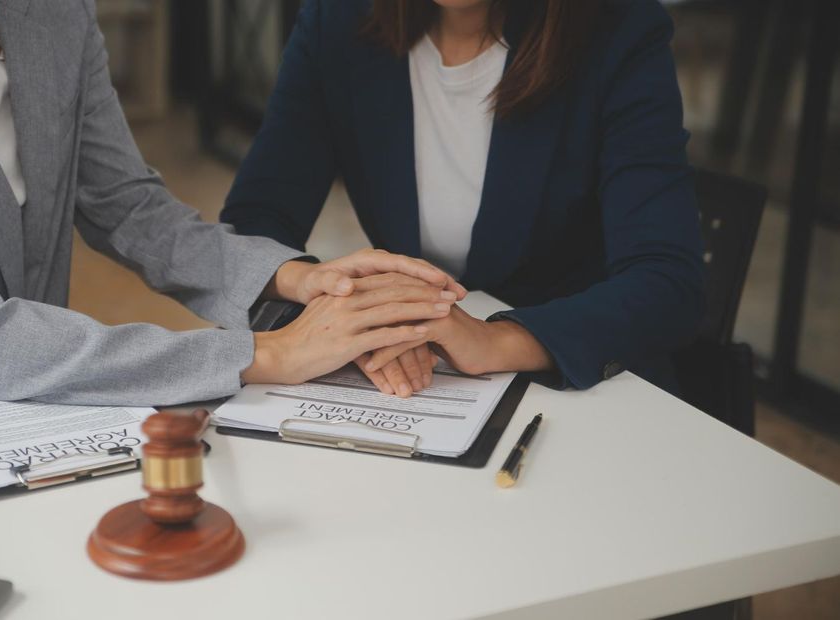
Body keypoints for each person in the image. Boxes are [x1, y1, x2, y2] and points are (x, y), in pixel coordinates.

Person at [0, 0, 466, 406]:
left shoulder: (56, 13)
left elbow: (128, 207)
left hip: (45, 399)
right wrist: (266, 354)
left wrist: (297, 280)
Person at [221, 0, 706, 394]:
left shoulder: (617, 28)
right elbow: (256, 223)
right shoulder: (339, 21)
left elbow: (667, 280)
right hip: (412, 384)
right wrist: (349, 323)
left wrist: (496, 339)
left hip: (575, 382)